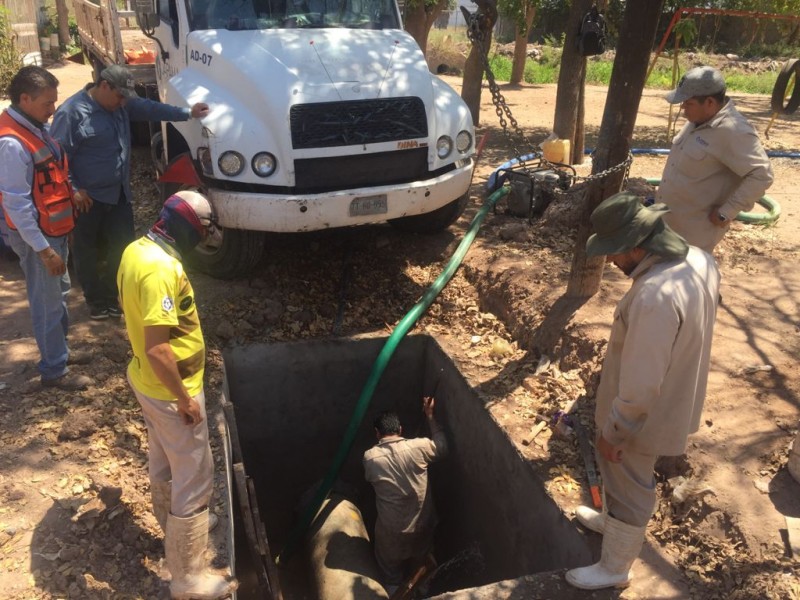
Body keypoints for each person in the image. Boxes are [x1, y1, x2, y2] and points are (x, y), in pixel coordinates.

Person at [565, 192, 720, 590]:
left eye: (615, 253)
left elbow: (641, 386)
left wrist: (615, 431)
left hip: (643, 417)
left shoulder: (655, 296)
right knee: (621, 481)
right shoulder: (699, 258)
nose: (613, 263)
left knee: (631, 485)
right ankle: (614, 524)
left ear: (637, 246)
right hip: (677, 395)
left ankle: (614, 568)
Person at [117, 190, 236, 599]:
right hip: (171, 390)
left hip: (147, 382)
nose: (207, 237)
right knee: (195, 477)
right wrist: (185, 399)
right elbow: (157, 347)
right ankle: (188, 579)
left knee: (164, 460)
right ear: (188, 227)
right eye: (204, 229)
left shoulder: (137, 249)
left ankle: (174, 533)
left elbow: (127, 307)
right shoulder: (160, 268)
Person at [51, 65, 210, 321]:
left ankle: (117, 295)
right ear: (104, 86)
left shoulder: (122, 105)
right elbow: (57, 158)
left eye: (126, 98)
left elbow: (151, 108)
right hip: (87, 200)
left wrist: (187, 113)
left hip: (119, 194)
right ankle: (97, 301)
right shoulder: (71, 113)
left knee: (123, 248)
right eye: (120, 96)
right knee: (87, 249)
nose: (124, 102)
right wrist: (73, 190)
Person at [0, 66, 92, 391]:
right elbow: (17, 205)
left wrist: (73, 192)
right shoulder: (11, 144)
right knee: (47, 302)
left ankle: (59, 352)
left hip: (53, 230)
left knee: (60, 293)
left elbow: (52, 169)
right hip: (39, 238)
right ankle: (54, 370)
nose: (53, 110)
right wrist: (44, 249)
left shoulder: (35, 126)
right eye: (46, 103)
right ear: (25, 98)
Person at [657, 65, 773, 253]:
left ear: (710, 102)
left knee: (681, 280)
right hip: (668, 226)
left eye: (688, 104)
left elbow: (761, 174)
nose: (683, 110)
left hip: (693, 237)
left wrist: (726, 212)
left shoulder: (734, 131)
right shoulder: (698, 121)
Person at [363, 397, 448, 592]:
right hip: (423, 526)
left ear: (377, 434)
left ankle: (395, 593)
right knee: (422, 568)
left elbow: (371, 480)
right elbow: (443, 447)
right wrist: (430, 416)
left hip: (391, 532)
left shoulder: (370, 458)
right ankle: (423, 592)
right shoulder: (420, 446)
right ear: (400, 429)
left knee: (391, 574)